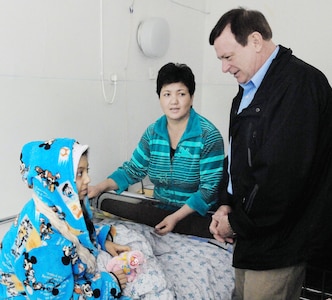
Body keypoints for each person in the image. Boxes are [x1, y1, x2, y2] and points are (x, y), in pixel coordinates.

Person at [208, 7, 332, 300]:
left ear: (254, 41)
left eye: (228, 57)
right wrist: (225, 204)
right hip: (251, 235)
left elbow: (282, 177)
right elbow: (236, 155)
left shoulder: (299, 84)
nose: (224, 68)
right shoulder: (248, 89)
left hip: (280, 243)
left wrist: (234, 223)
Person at [88, 62, 224, 237]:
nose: (173, 101)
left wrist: (175, 217)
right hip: (159, 214)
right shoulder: (153, 133)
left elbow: (208, 190)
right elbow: (132, 170)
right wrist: (99, 187)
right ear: (159, 97)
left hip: (198, 219)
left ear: (191, 97)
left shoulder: (208, 135)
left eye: (181, 94)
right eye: (167, 94)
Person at [0, 138, 131, 299]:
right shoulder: (43, 245)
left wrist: (102, 240)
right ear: (57, 181)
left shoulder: (55, 204)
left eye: (87, 171)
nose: (88, 180)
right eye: (79, 173)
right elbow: (57, 296)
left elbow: (74, 230)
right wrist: (109, 283)